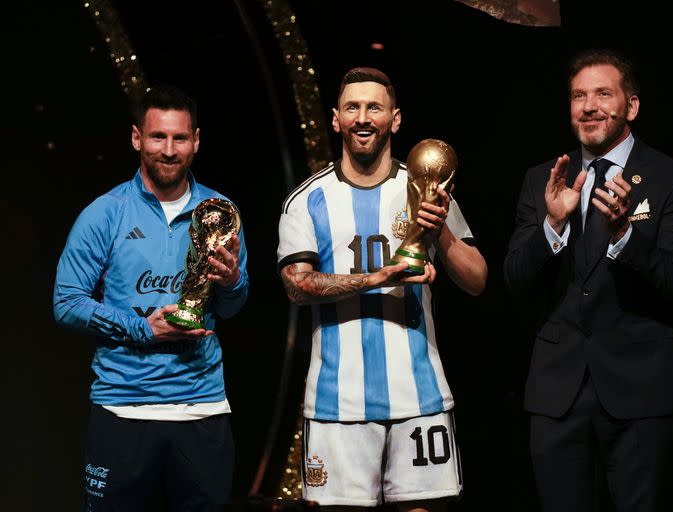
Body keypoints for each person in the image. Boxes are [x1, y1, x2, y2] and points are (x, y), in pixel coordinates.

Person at [277, 67, 487, 511]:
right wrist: (378, 277)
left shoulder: (427, 189)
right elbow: (296, 287)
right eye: (352, 107)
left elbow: (476, 280)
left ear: (395, 119)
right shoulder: (308, 199)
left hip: (420, 398)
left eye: (375, 106)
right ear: (336, 119)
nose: (363, 117)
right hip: (337, 404)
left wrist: (440, 233)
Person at [503, 48, 673, 511]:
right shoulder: (542, 180)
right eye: (578, 96)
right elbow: (514, 278)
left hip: (642, 395)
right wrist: (551, 227)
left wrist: (626, 236)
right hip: (557, 397)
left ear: (631, 106)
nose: (589, 106)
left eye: (602, 94)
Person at [53, 84, 248, 511]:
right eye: (158, 137)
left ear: (196, 140)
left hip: (202, 410)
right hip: (123, 410)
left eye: (180, 138)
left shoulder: (219, 211)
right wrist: (143, 329)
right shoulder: (104, 213)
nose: (169, 149)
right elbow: (66, 301)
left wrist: (232, 282)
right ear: (137, 138)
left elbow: (232, 308)